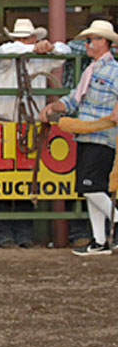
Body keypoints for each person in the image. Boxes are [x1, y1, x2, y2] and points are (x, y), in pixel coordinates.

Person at [40, 19, 118, 256]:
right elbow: (75, 98)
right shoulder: (92, 69)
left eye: (91, 39)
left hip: (102, 135)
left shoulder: (113, 70)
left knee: (90, 184)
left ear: (103, 42)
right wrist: (56, 106)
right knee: (91, 187)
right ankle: (99, 240)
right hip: (88, 134)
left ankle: (108, 229)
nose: (87, 43)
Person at [0, 18, 69, 249]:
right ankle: (5, 235)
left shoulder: (38, 59)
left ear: (34, 38)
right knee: (2, 182)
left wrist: (51, 48)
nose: (21, 42)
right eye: (19, 39)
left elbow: (63, 51)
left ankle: (21, 234)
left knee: (27, 180)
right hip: (5, 124)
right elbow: (5, 50)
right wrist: (36, 47)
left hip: (27, 126)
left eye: (26, 38)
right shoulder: (6, 54)